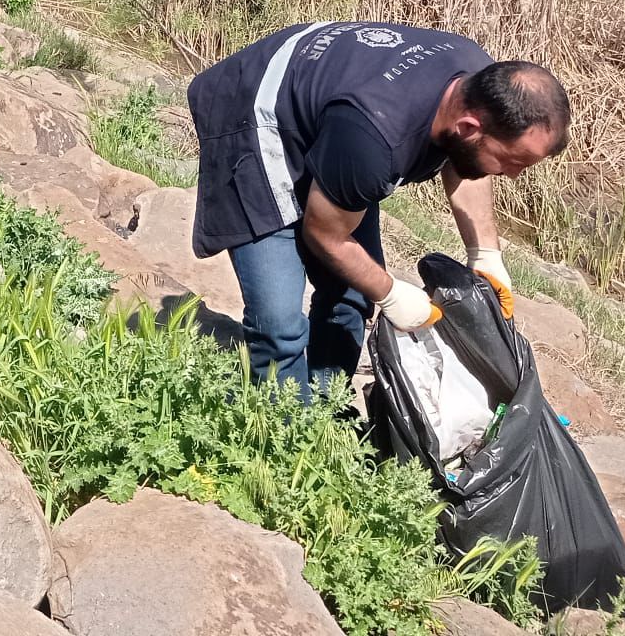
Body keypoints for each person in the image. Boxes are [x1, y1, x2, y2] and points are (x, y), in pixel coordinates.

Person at [186, 21, 570, 400]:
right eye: (514, 161)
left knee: (351, 297)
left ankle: (324, 409)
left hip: (333, 115)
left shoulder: (476, 81)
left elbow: (467, 160)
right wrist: (389, 293)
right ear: (469, 126)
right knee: (279, 325)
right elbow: (324, 235)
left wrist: (484, 252)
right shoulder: (376, 138)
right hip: (258, 114)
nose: (515, 176)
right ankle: (285, 436)